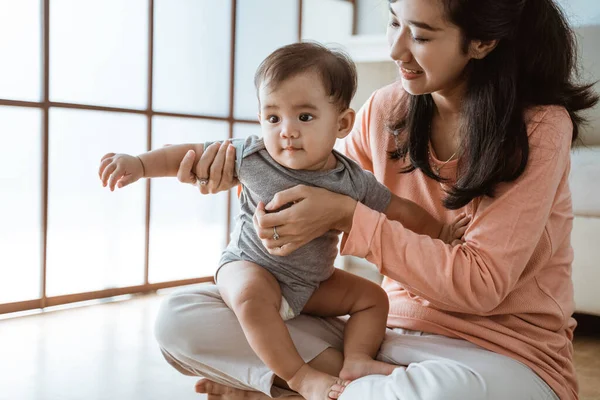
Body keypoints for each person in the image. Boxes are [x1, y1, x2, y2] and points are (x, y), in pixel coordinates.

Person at [99, 42, 469, 400]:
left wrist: (440, 231)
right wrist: (140, 164)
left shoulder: (352, 179)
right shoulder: (252, 155)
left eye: (304, 117)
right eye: (272, 117)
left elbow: (400, 211)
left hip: (311, 282)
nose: (286, 130)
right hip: (250, 265)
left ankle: (356, 361)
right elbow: (188, 153)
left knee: (372, 297)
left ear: (342, 123)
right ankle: (299, 377)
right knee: (250, 298)